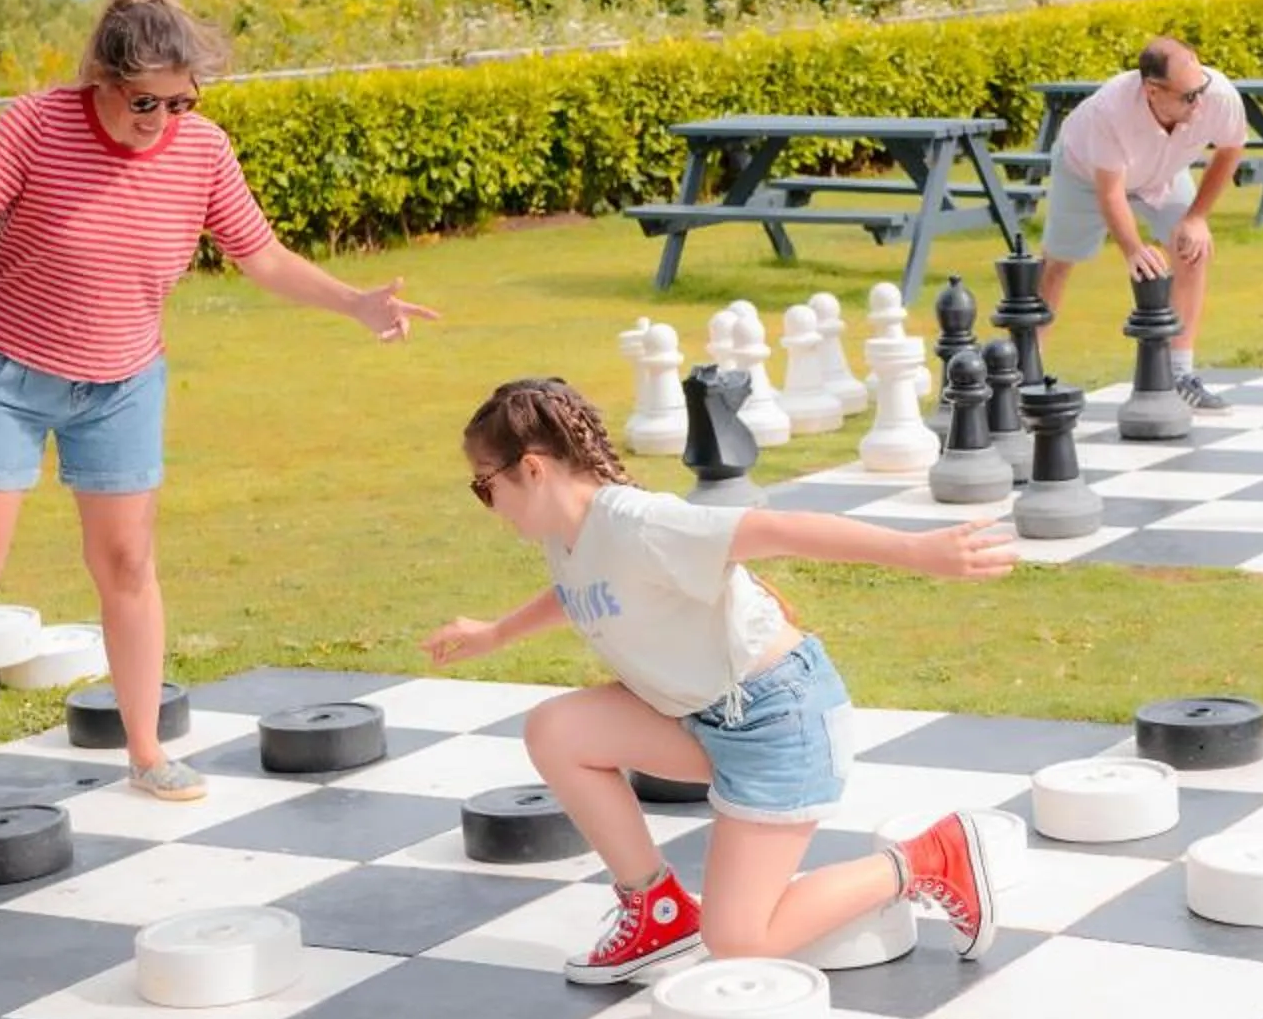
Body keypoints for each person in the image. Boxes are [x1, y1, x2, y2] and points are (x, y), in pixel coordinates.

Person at [0, 0, 438, 828]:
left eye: (182, 101)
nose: (163, 118)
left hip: (123, 379)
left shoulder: (202, 150)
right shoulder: (37, 123)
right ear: (104, 78)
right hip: (2, 369)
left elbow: (264, 257)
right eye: (146, 100)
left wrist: (356, 303)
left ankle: (145, 750)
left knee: (128, 565)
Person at [425, 377, 1016, 983]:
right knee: (557, 729)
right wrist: (495, 633)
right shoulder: (569, 537)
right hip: (705, 719)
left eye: (483, 485)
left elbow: (780, 530)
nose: (487, 503)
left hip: (779, 722)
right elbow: (580, 591)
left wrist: (918, 554)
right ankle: (656, 911)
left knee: (737, 940)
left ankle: (931, 856)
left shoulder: (640, 522)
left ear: (531, 469)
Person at [1034, 34, 1248, 410]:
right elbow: (1111, 191)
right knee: (1057, 265)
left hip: (1162, 174)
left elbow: (1231, 149)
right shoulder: (1110, 110)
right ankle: (1026, 371)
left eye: (1201, 88)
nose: (1199, 103)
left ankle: (1180, 373)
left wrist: (1197, 217)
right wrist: (1132, 248)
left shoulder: (1219, 96)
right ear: (1152, 89)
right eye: (1187, 96)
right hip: (1086, 174)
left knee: (1192, 250)